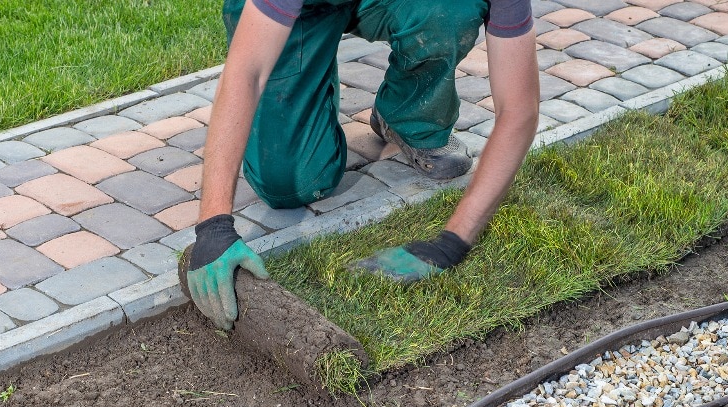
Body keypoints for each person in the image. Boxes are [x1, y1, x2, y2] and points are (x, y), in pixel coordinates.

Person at [188, 0, 541, 329]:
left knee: (453, 8)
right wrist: (213, 226)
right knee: (290, 183)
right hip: (300, 10)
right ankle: (308, 60)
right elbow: (246, 72)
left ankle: (408, 115)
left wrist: (452, 243)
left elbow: (519, 110)